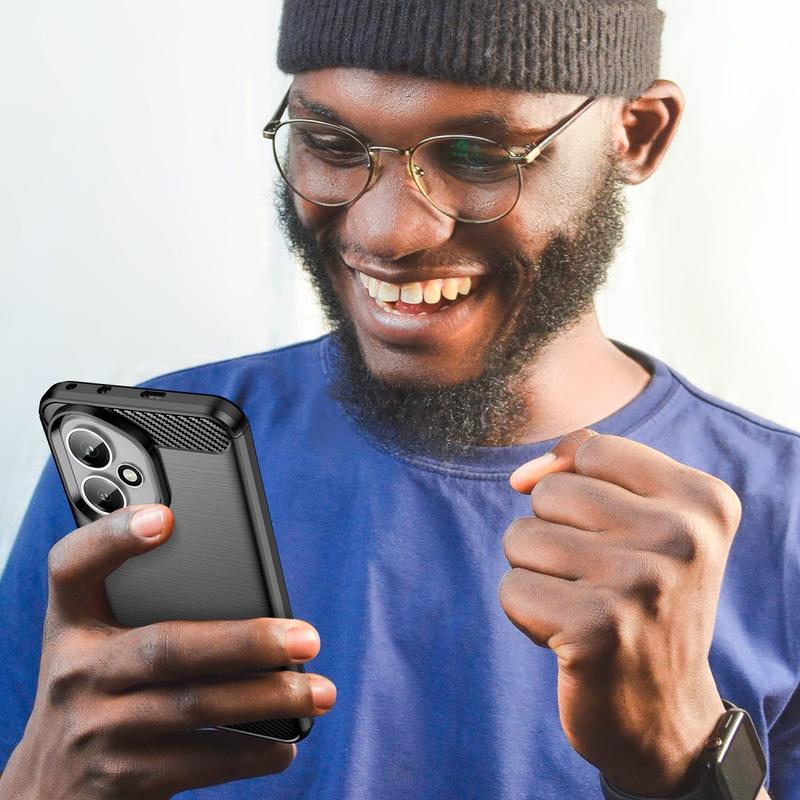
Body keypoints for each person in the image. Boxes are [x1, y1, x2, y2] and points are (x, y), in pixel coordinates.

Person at [0, 1, 796, 797]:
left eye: (479, 156)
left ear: (638, 133)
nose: (386, 232)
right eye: (332, 144)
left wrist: (689, 758)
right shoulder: (151, 463)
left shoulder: (782, 519)